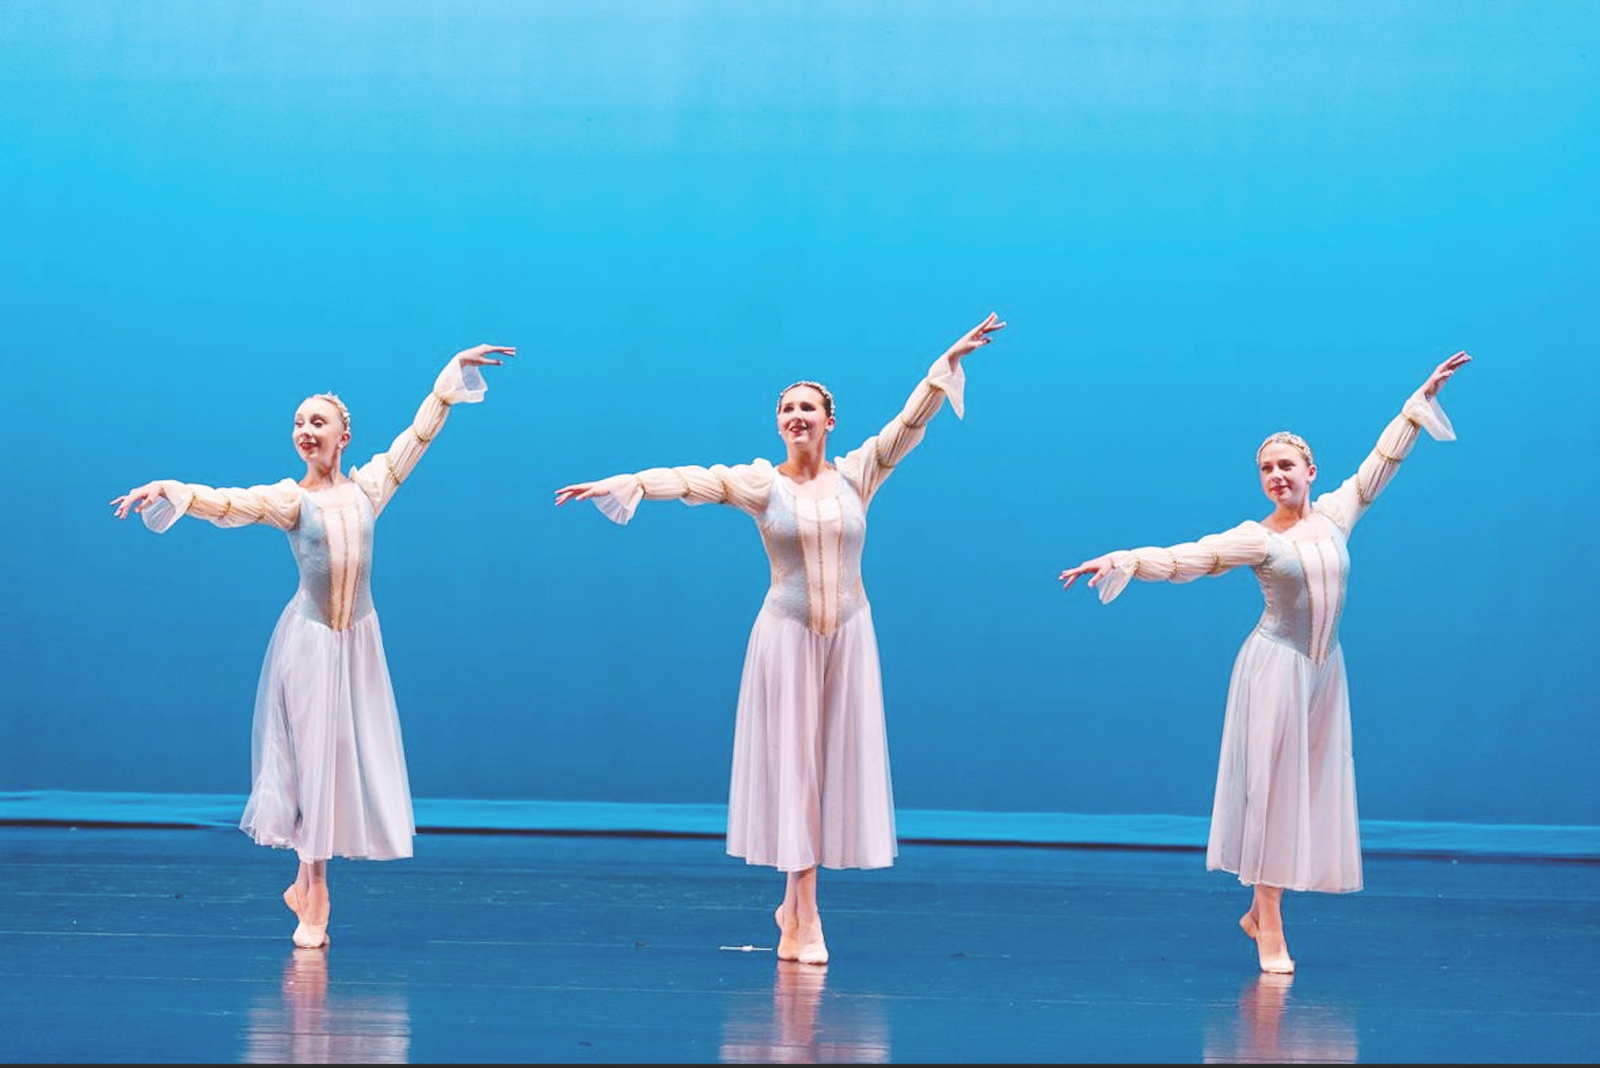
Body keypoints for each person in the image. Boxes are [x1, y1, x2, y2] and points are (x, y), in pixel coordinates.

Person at [555, 313, 1006, 965]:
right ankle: (807, 915)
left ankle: (793, 912)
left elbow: (909, 425)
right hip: (788, 638)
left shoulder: (858, 474)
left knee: (829, 770)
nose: (797, 416)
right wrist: (626, 483)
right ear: (778, 424)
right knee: (795, 770)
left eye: (808, 408)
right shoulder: (761, 484)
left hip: (849, 634)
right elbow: (692, 479)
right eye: (787, 409)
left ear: (830, 421)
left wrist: (945, 366)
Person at [1057, 350, 1471, 974]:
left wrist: (1418, 405)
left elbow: (1381, 462)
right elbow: (1190, 557)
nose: (1276, 475)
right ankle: (1270, 924)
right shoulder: (1258, 538)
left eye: (1286, 466)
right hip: (1275, 668)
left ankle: (1258, 912)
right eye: (1266, 469)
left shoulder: (1338, 514)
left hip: (1324, 668)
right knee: (1273, 794)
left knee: (1304, 790)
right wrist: (1122, 560)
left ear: (1311, 471)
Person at [111, 343, 516, 949]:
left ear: (343, 436)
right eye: (298, 422)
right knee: (312, 762)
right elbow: (231, 502)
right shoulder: (290, 499)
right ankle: (316, 892)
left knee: (343, 759)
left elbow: (417, 438)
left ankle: (306, 886)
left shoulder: (369, 488)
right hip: (309, 643)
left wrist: (450, 379)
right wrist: (172, 489)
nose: (305, 431)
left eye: (317, 422)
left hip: (358, 642)